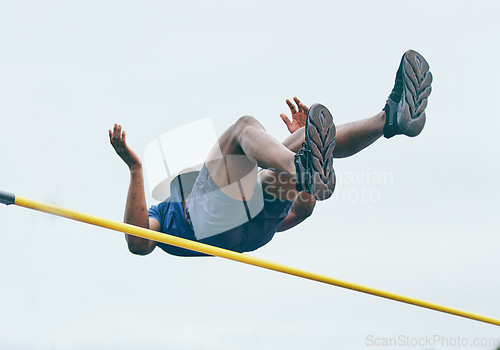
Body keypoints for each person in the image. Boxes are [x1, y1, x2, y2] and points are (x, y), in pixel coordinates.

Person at [109, 49, 432, 257]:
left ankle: (390, 118)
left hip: (247, 234)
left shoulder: (230, 202)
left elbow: (301, 212)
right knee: (244, 127)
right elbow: (138, 243)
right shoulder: (163, 214)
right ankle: (303, 161)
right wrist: (136, 170)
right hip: (211, 226)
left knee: (286, 160)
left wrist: (302, 145)